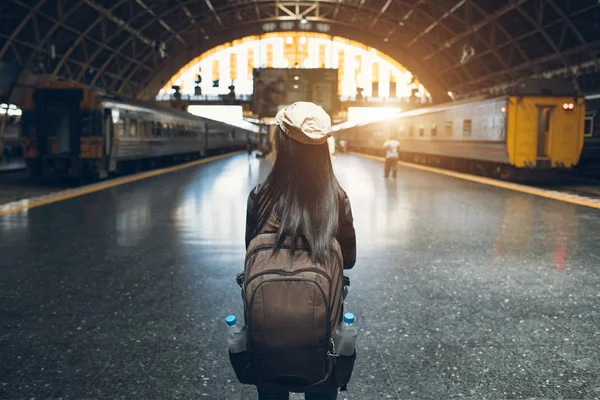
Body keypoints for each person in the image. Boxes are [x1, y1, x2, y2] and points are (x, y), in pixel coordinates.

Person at [244, 102, 357, 400]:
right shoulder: (337, 198)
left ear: (281, 142)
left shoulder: (259, 198)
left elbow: (251, 254)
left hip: (266, 326)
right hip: (322, 330)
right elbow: (350, 259)